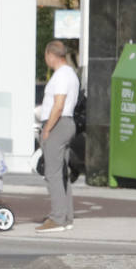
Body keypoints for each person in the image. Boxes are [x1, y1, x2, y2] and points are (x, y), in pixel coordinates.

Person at [36, 39, 80, 233]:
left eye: (46, 56)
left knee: (52, 173)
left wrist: (47, 129)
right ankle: (66, 215)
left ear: (50, 55)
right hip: (66, 123)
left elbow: (58, 104)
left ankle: (57, 218)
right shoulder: (70, 74)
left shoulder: (61, 75)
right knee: (62, 173)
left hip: (58, 123)